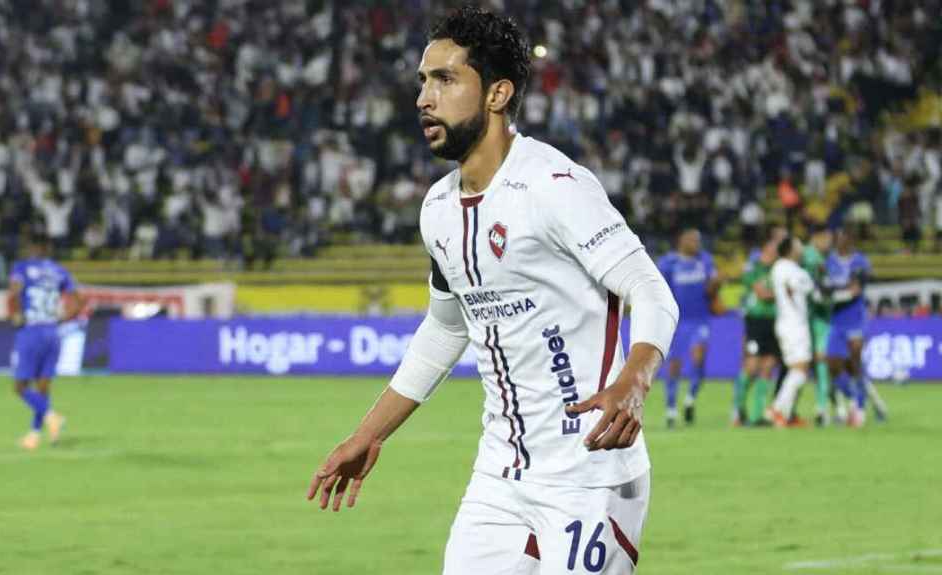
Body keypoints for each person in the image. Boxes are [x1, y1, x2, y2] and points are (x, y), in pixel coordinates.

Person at [306, 7, 679, 574]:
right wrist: (369, 434)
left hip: (589, 474)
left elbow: (650, 290)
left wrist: (633, 382)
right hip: (499, 478)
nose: (424, 98)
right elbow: (444, 329)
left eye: (445, 79)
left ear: (497, 94)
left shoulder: (555, 187)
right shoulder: (437, 209)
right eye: (423, 81)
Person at [7, 233, 85, 450]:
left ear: (33, 247)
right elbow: (79, 302)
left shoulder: (22, 268)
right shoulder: (60, 271)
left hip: (31, 331)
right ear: (48, 249)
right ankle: (34, 435)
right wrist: (62, 319)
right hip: (53, 333)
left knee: (20, 387)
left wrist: (16, 315)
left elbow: (13, 293)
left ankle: (51, 416)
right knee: (43, 388)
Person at [825, 227, 887, 426]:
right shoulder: (828, 261)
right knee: (834, 365)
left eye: (845, 237)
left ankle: (859, 408)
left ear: (851, 240)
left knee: (854, 364)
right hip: (836, 320)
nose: (842, 241)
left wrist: (831, 294)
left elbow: (856, 289)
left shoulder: (861, 261)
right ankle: (870, 403)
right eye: (839, 237)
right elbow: (825, 285)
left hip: (855, 320)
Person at [657, 229, 719, 427]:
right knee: (674, 365)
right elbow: (660, 290)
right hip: (676, 321)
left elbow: (710, 291)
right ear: (681, 241)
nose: (696, 243)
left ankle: (690, 399)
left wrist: (715, 284)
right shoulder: (668, 263)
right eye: (692, 240)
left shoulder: (705, 261)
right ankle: (671, 409)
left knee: (699, 358)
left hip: (699, 320)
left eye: (698, 240)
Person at [732, 226, 786, 426]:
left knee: (768, 367)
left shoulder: (779, 268)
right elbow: (762, 294)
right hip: (755, 321)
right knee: (751, 366)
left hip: (774, 321)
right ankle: (738, 410)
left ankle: (757, 416)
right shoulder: (752, 268)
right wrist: (783, 294)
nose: (775, 252)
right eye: (773, 248)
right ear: (765, 248)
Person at [769, 236, 816, 428]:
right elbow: (796, 286)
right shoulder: (785, 268)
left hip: (792, 323)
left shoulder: (784, 268)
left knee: (797, 370)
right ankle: (777, 409)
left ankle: (785, 414)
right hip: (793, 325)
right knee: (800, 369)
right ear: (790, 249)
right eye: (799, 245)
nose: (802, 248)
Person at [801, 224, 834, 426]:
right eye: (827, 238)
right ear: (817, 237)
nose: (830, 243)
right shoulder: (812, 258)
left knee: (817, 362)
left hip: (811, 318)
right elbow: (814, 290)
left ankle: (824, 405)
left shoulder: (815, 257)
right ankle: (823, 407)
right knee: (821, 361)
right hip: (816, 318)